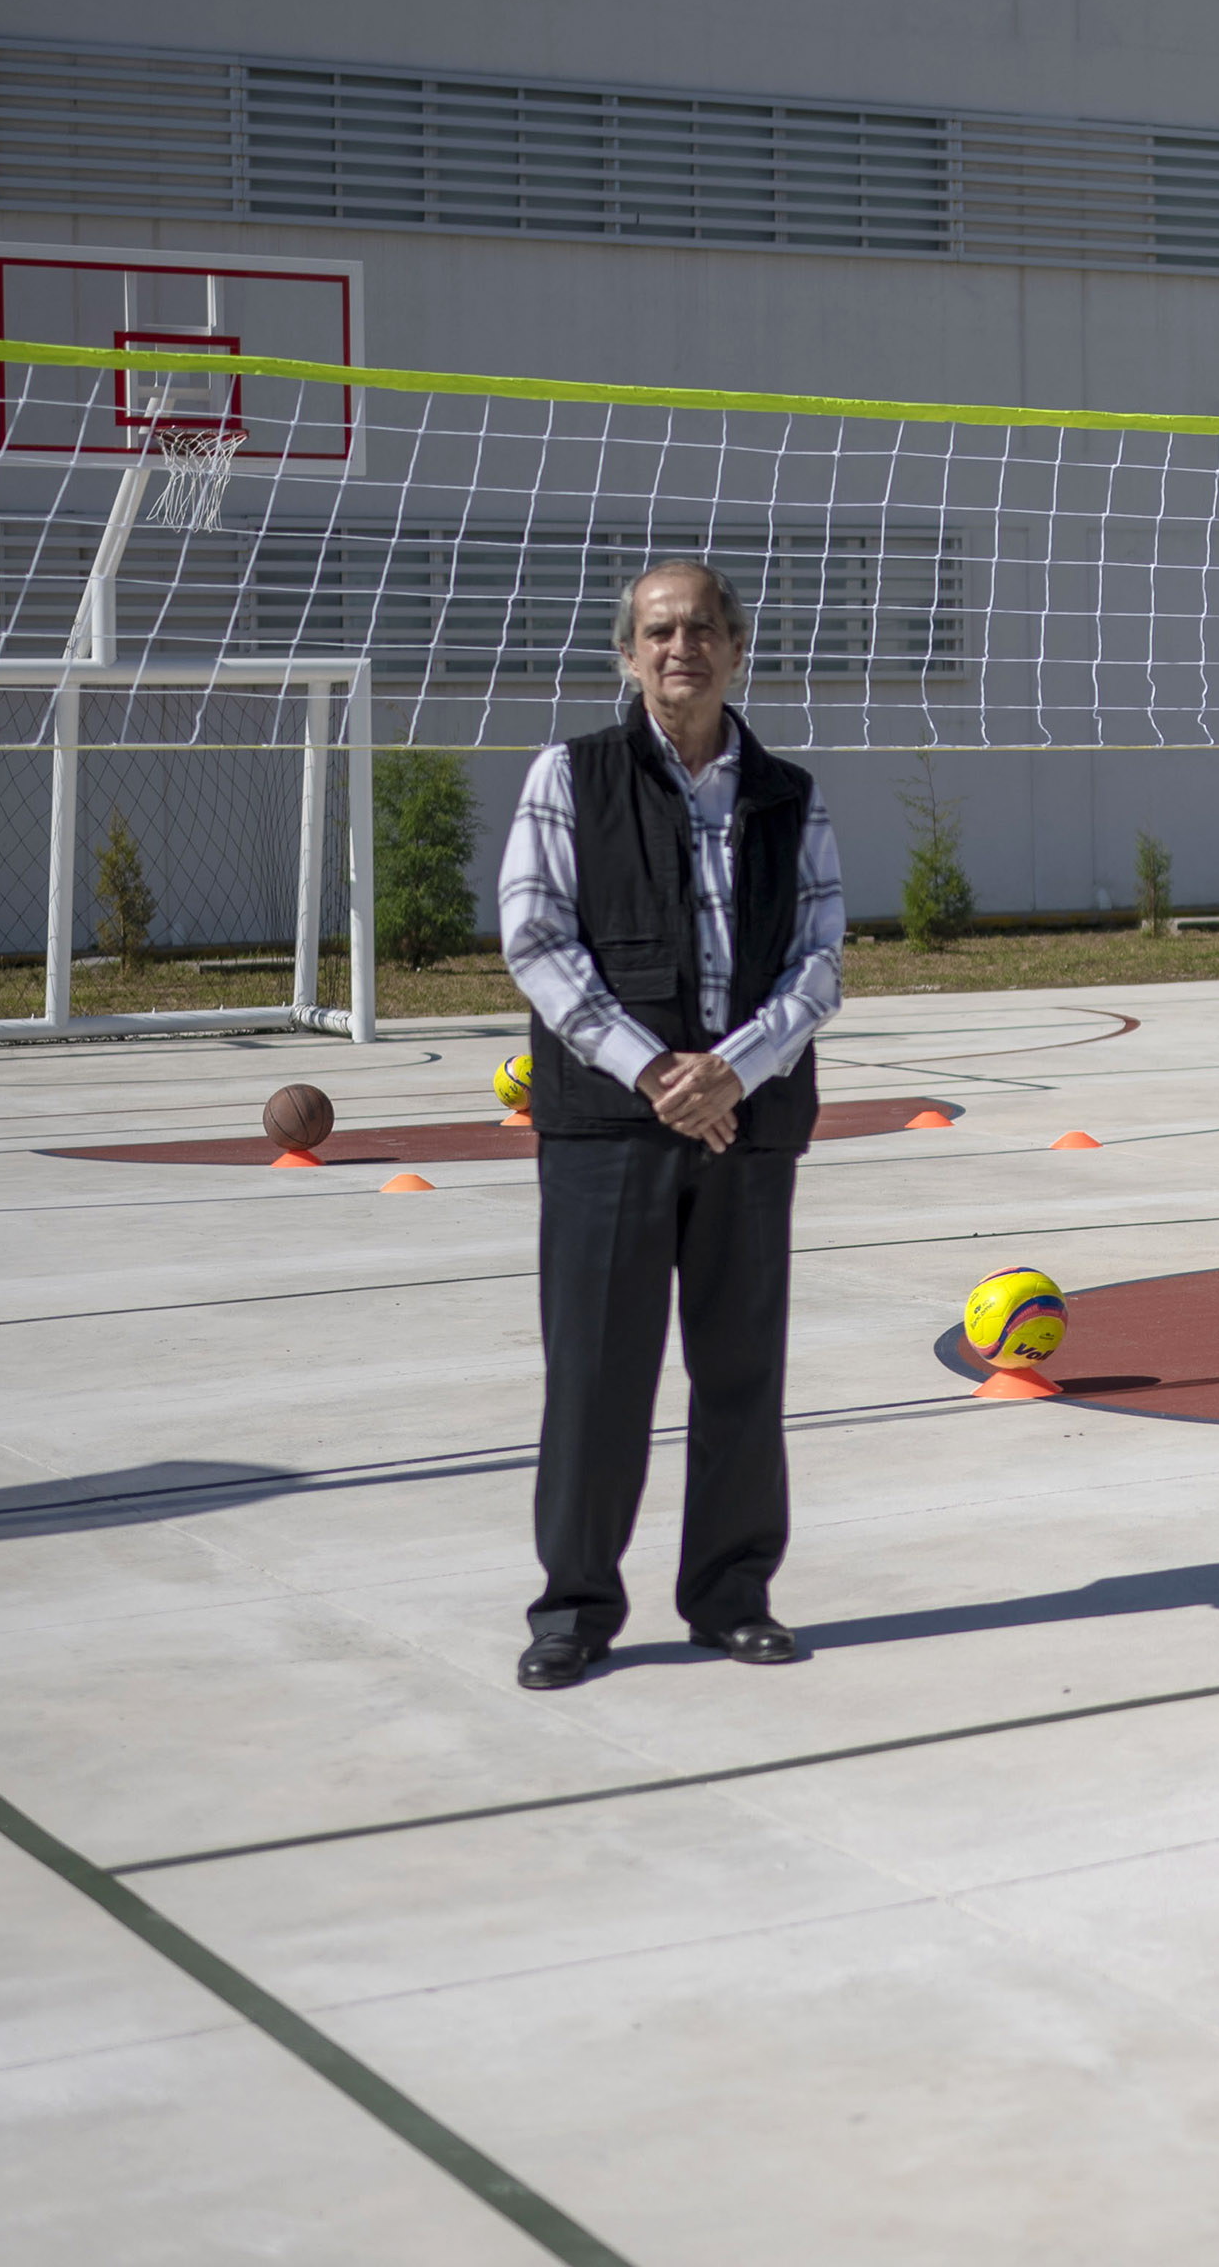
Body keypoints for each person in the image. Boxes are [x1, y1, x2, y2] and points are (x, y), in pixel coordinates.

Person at [497, 557, 845, 1687]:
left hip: (747, 1127)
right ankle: (576, 1608)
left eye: (699, 629)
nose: (677, 648)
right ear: (626, 653)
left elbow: (818, 967)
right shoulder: (569, 776)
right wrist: (654, 1073)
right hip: (609, 1129)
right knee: (597, 1376)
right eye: (656, 631)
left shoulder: (791, 794)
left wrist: (732, 1073)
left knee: (741, 1372)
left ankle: (731, 1594)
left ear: (736, 649)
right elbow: (537, 943)